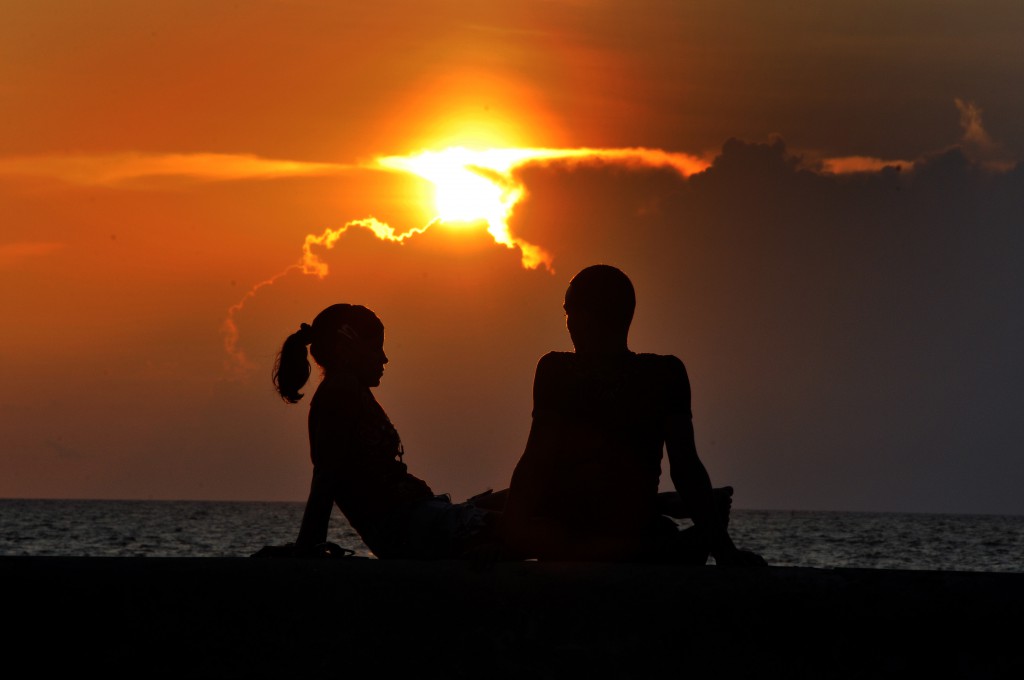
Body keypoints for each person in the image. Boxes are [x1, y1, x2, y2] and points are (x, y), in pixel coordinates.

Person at [501, 264, 766, 566]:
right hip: (614, 525)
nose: (569, 322)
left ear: (596, 316)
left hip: (593, 527)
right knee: (515, 513)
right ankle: (665, 525)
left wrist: (725, 552)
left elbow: (536, 461)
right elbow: (686, 466)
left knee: (550, 537)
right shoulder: (665, 374)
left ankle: (657, 532)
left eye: (572, 311)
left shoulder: (559, 372)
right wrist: (723, 550)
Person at [271, 303, 504, 559]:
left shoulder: (349, 390)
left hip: (423, 516)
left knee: (528, 498)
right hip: (412, 530)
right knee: (534, 525)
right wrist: (309, 547)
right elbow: (326, 476)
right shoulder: (341, 390)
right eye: (376, 347)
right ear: (348, 347)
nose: (384, 358)